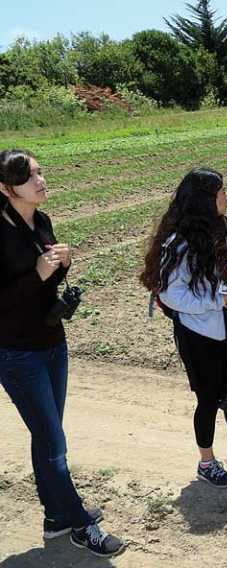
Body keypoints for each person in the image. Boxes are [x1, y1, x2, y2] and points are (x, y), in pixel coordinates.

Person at [0, 149, 124, 557]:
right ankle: (80, 523)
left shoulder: (42, 220)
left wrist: (61, 265)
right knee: (54, 443)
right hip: (17, 352)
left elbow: (48, 280)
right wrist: (39, 271)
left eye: (39, 172)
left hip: (53, 342)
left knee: (46, 434)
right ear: (6, 187)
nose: (40, 180)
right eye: (29, 176)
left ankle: (56, 518)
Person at [140, 168, 227, 488]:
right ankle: (206, 462)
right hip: (199, 336)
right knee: (208, 400)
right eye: (220, 191)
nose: (226, 196)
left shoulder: (225, 230)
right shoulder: (177, 243)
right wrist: (216, 300)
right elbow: (170, 293)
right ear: (204, 200)